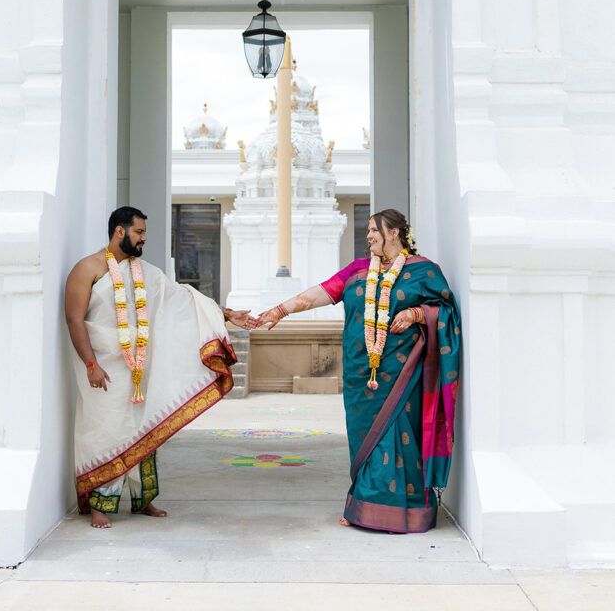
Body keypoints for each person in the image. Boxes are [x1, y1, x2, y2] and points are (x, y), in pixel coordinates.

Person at [257, 208, 460, 533]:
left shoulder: (423, 271)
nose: (368, 236)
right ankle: (364, 507)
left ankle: (405, 513)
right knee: (365, 442)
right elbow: (320, 293)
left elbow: (446, 309)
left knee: (398, 438)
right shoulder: (357, 270)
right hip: (358, 374)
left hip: (402, 375)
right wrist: (280, 310)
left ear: (395, 232)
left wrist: (418, 315)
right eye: (367, 230)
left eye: (374, 230)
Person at [65, 206, 256, 528]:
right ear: (119, 231)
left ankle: (143, 499)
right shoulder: (87, 268)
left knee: (143, 427)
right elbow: (74, 319)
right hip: (104, 369)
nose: (144, 238)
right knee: (105, 430)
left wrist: (226, 314)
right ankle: (101, 503)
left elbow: (181, 299)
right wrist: (91, 364)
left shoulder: (145, 272)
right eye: (139, 232)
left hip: (141, 368)